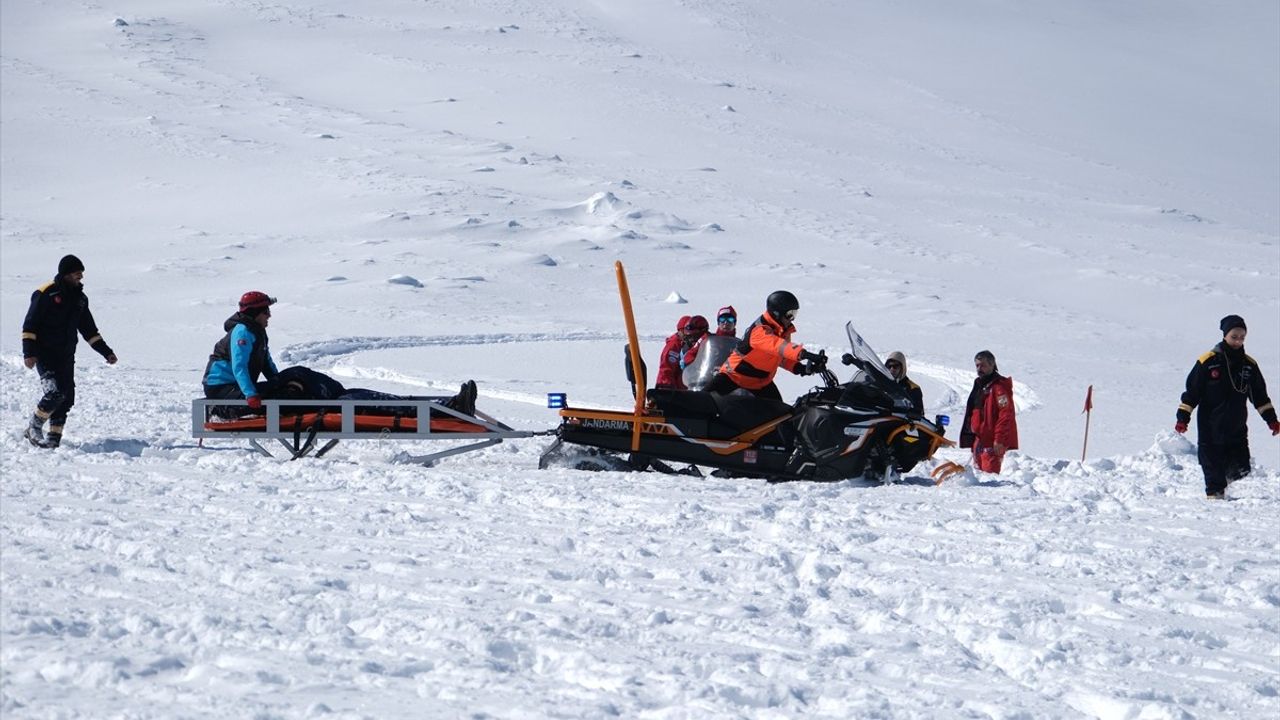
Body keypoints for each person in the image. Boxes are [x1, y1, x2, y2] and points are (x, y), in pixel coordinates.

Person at [1175, 315, 1278, 499]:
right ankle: (1215, 501)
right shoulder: (1208, 361)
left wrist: (1272, 420)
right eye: (1234, 337)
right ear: (1225, 335)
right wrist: (1183, 418)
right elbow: (1192, 393)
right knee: (1212, 467)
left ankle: (1226, 488)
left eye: (1242, 337)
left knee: (1241, 468)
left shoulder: (1249, 365)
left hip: (1236, 427)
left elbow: (1260, 397)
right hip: (1210, 427)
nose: (1238, 341)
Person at [21, 254, 118, 448]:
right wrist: (29, 353)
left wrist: (106, 352)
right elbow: (30, 324)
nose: (80, 277)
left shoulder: (80, 299)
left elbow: (89, 331)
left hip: (66, 356)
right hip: (45, 354)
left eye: (81, 273)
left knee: (66, 398)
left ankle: (53, 439)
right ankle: (34, 427)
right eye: (76, 273)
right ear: (65, 274)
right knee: (54, 393)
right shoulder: (45, 293)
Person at [707, 290, 824, 401]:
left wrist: (801, 368)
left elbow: (781, 358)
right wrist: (802, 353)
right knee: (701, 401)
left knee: (782, 415)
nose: (792, 319)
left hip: (761, 383)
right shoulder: (760, 330)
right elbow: (777, 346)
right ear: (777, 313)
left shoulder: (782, 331)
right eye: (790, 314)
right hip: (733, 377)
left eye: (794, 314)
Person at [203, 291, 286, 415]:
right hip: (221, 388)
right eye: (266, 312)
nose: (269, 315)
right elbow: (239, 366)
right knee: (269, 400)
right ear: (255, 314)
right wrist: (251, 394)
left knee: (280, 393)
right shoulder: (242, 332)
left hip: (236, 386)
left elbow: (266, 362)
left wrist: (279, 382)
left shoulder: (258, 332)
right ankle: (219, 412)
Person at [958, 350, 1018, 473]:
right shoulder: (980, 385)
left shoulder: (999, 387)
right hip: (979, 440)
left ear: (992, 365)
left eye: (983, 365)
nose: (979, 368)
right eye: (977, 365)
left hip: (992, 442)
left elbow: (1006, 414)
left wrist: (999, 439)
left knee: (989, 479)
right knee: (978, 477)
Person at [654, 315, 693, 390]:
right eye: (686, 330)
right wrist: (667, 387)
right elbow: (666, 369)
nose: (689, 333)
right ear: (680, 331)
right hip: (672, 390)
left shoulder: (690, 344)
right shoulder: (674, 346)